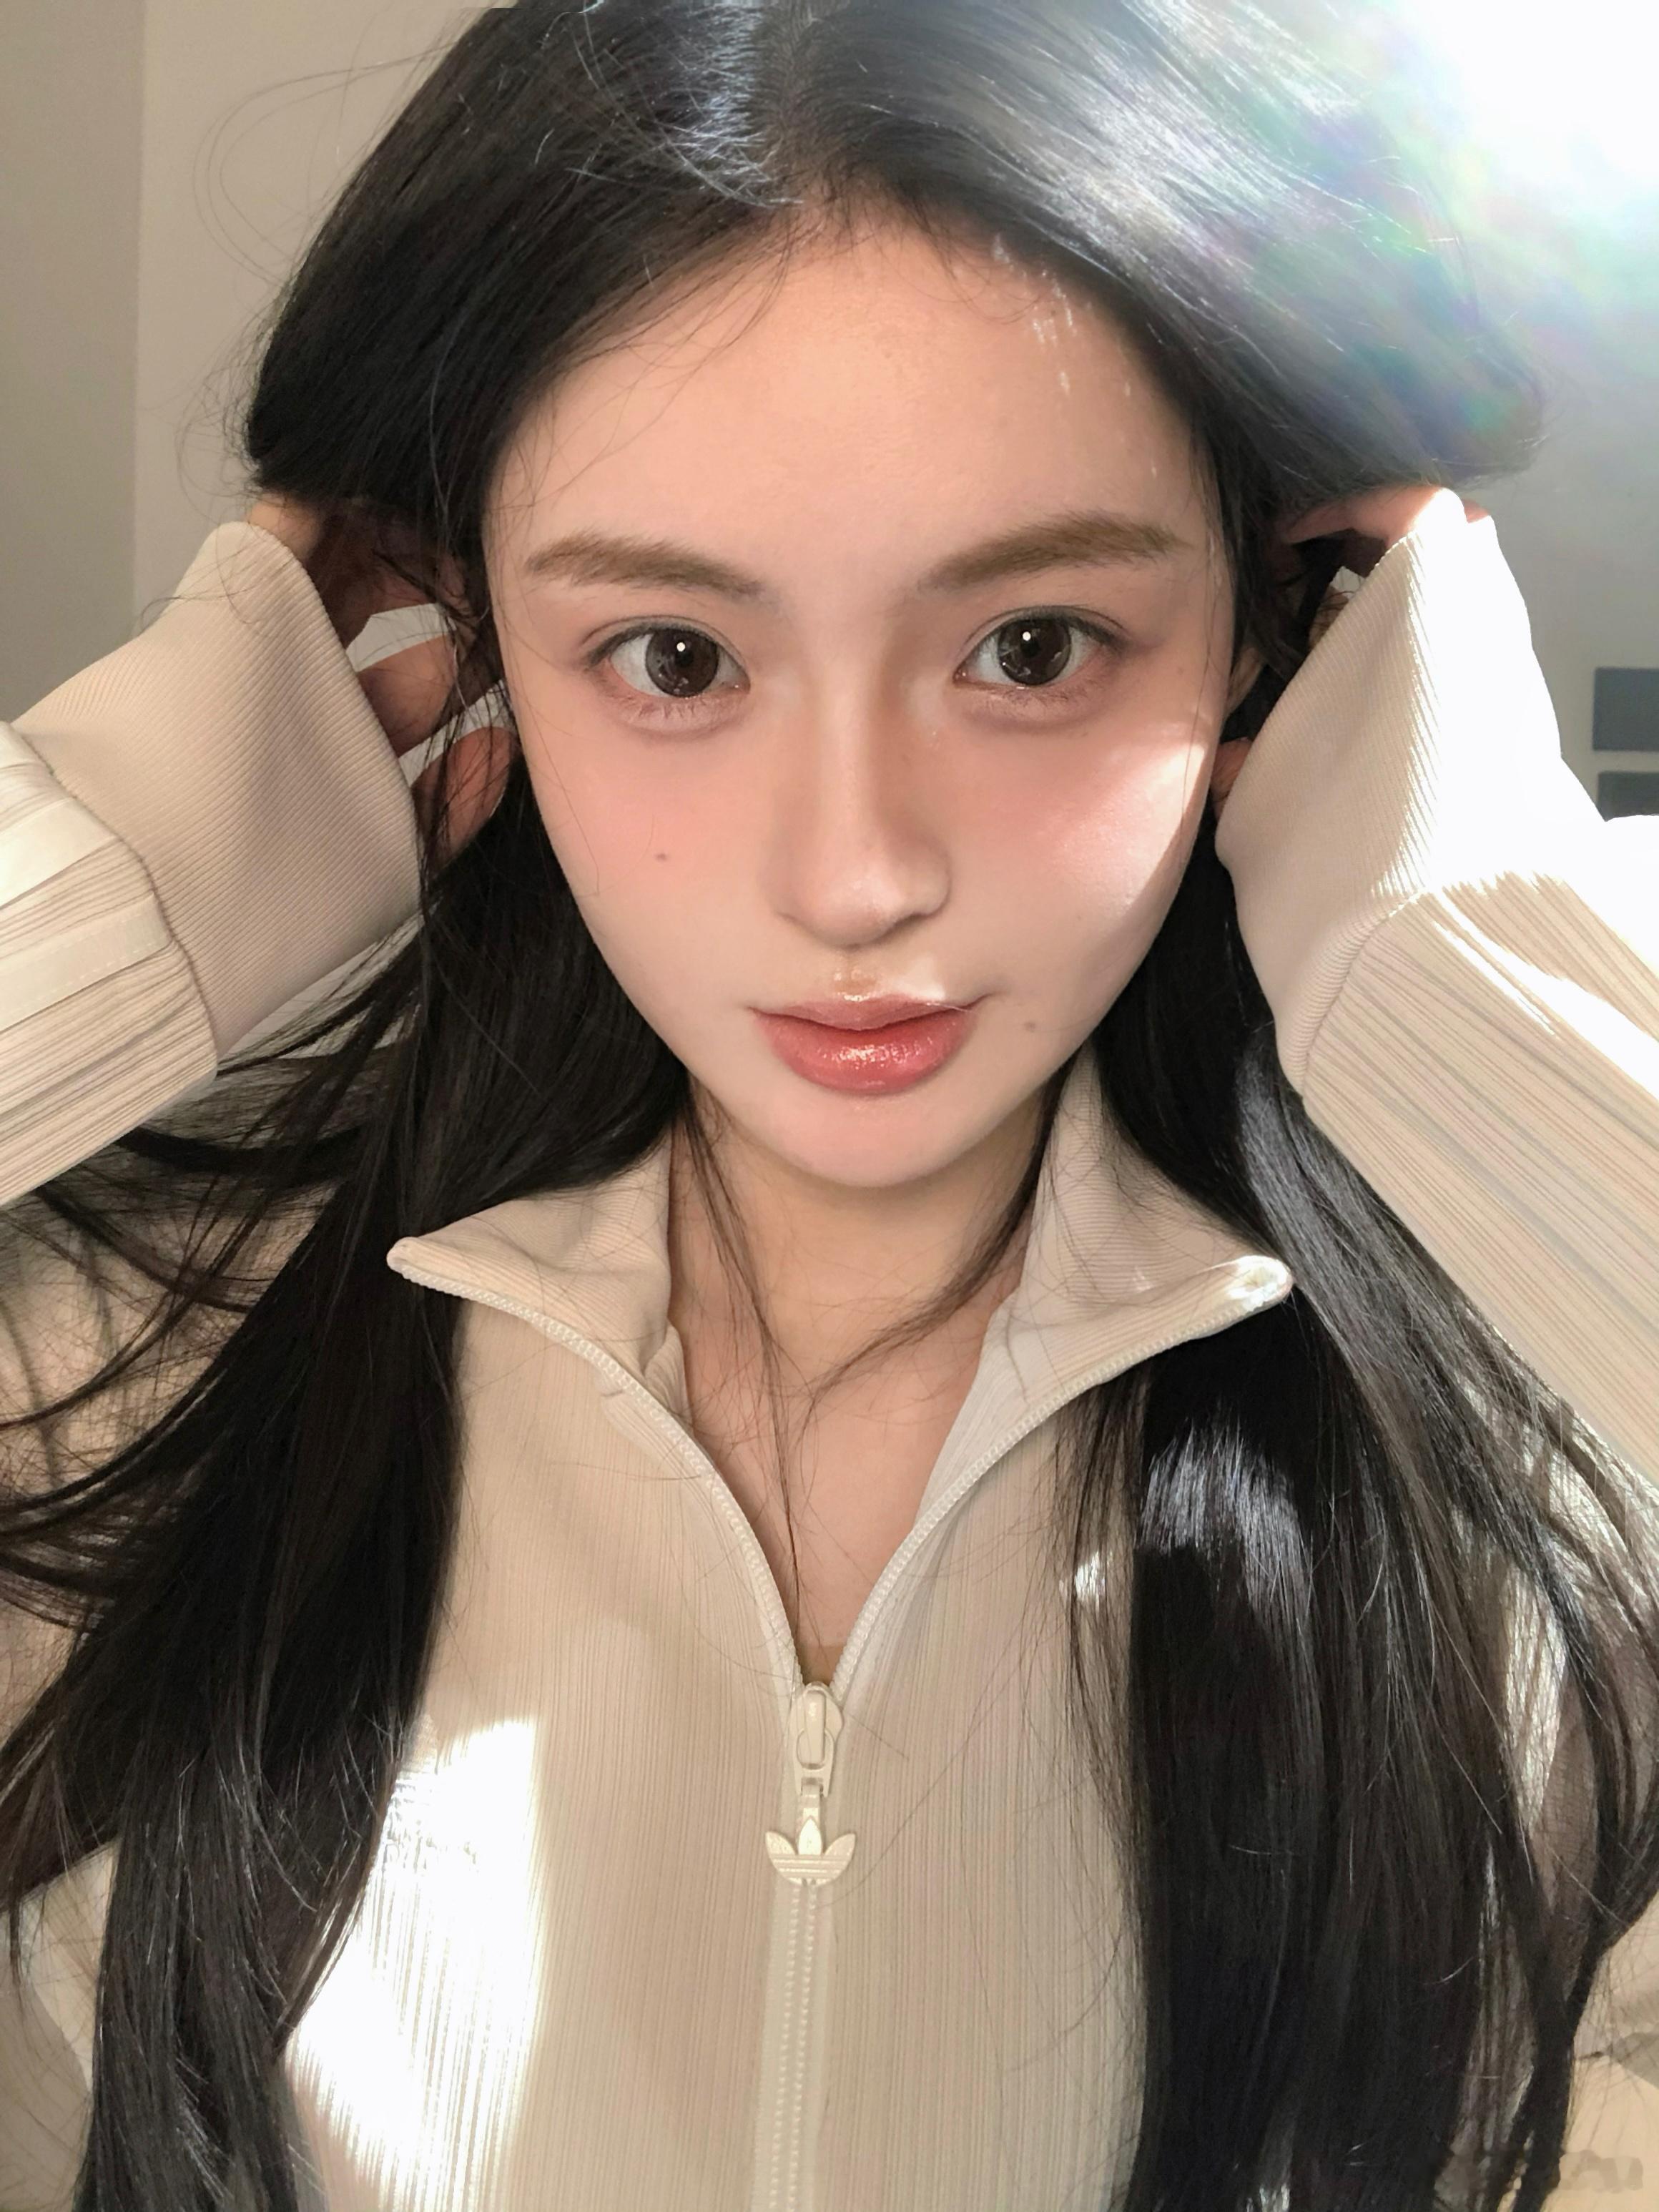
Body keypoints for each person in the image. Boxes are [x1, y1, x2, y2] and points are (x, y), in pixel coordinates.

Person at [2, 1, 1657, 2205]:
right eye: (676, 659)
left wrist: (1459, 970)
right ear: (476, 644)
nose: (856, 875)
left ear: (1276, 640)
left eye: (1035, 646)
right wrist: (124, 872)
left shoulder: (1551, 1532)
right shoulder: (114, 1384)